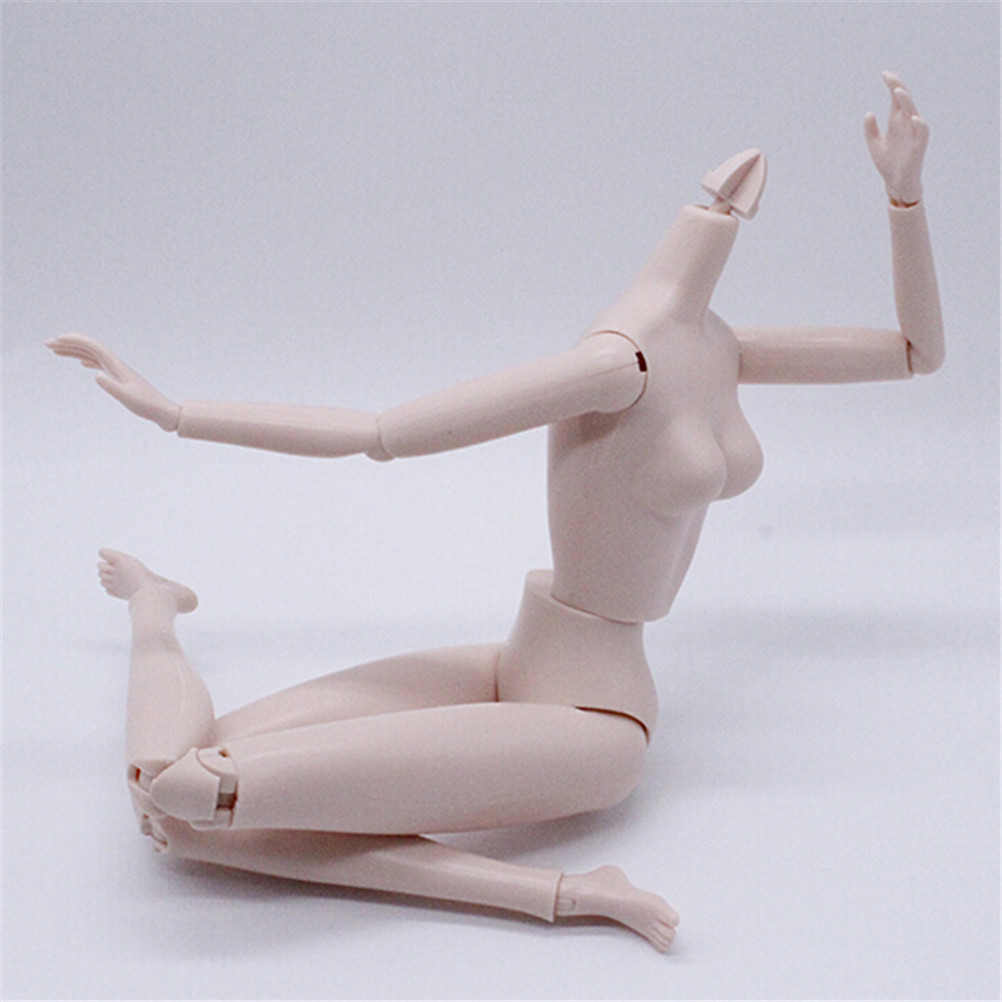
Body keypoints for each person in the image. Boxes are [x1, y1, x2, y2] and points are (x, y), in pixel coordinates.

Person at [47, 73, 942, 950]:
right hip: (520, 658)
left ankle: (560, 893)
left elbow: (913, 352)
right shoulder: (616, 363)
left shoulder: (723, 348)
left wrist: (905, 200)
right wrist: (174, 412)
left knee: (188, 802)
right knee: (172, 789)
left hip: (601, 721)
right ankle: (155, 612)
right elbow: (378, 432)